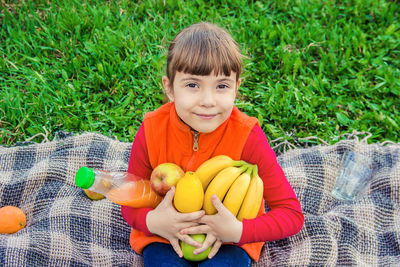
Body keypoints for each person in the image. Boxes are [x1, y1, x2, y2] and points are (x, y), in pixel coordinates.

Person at [121, 22, 304, 266]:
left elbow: (291, 214)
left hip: (230, 242)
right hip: (164, 236)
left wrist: (238, 232)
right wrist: (154, 223)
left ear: (236, 89)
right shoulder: (152, 129)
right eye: (193, 85)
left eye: (221, 86)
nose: (208, 101)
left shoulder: (248, 135)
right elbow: (130, 200)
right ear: (170, 88)